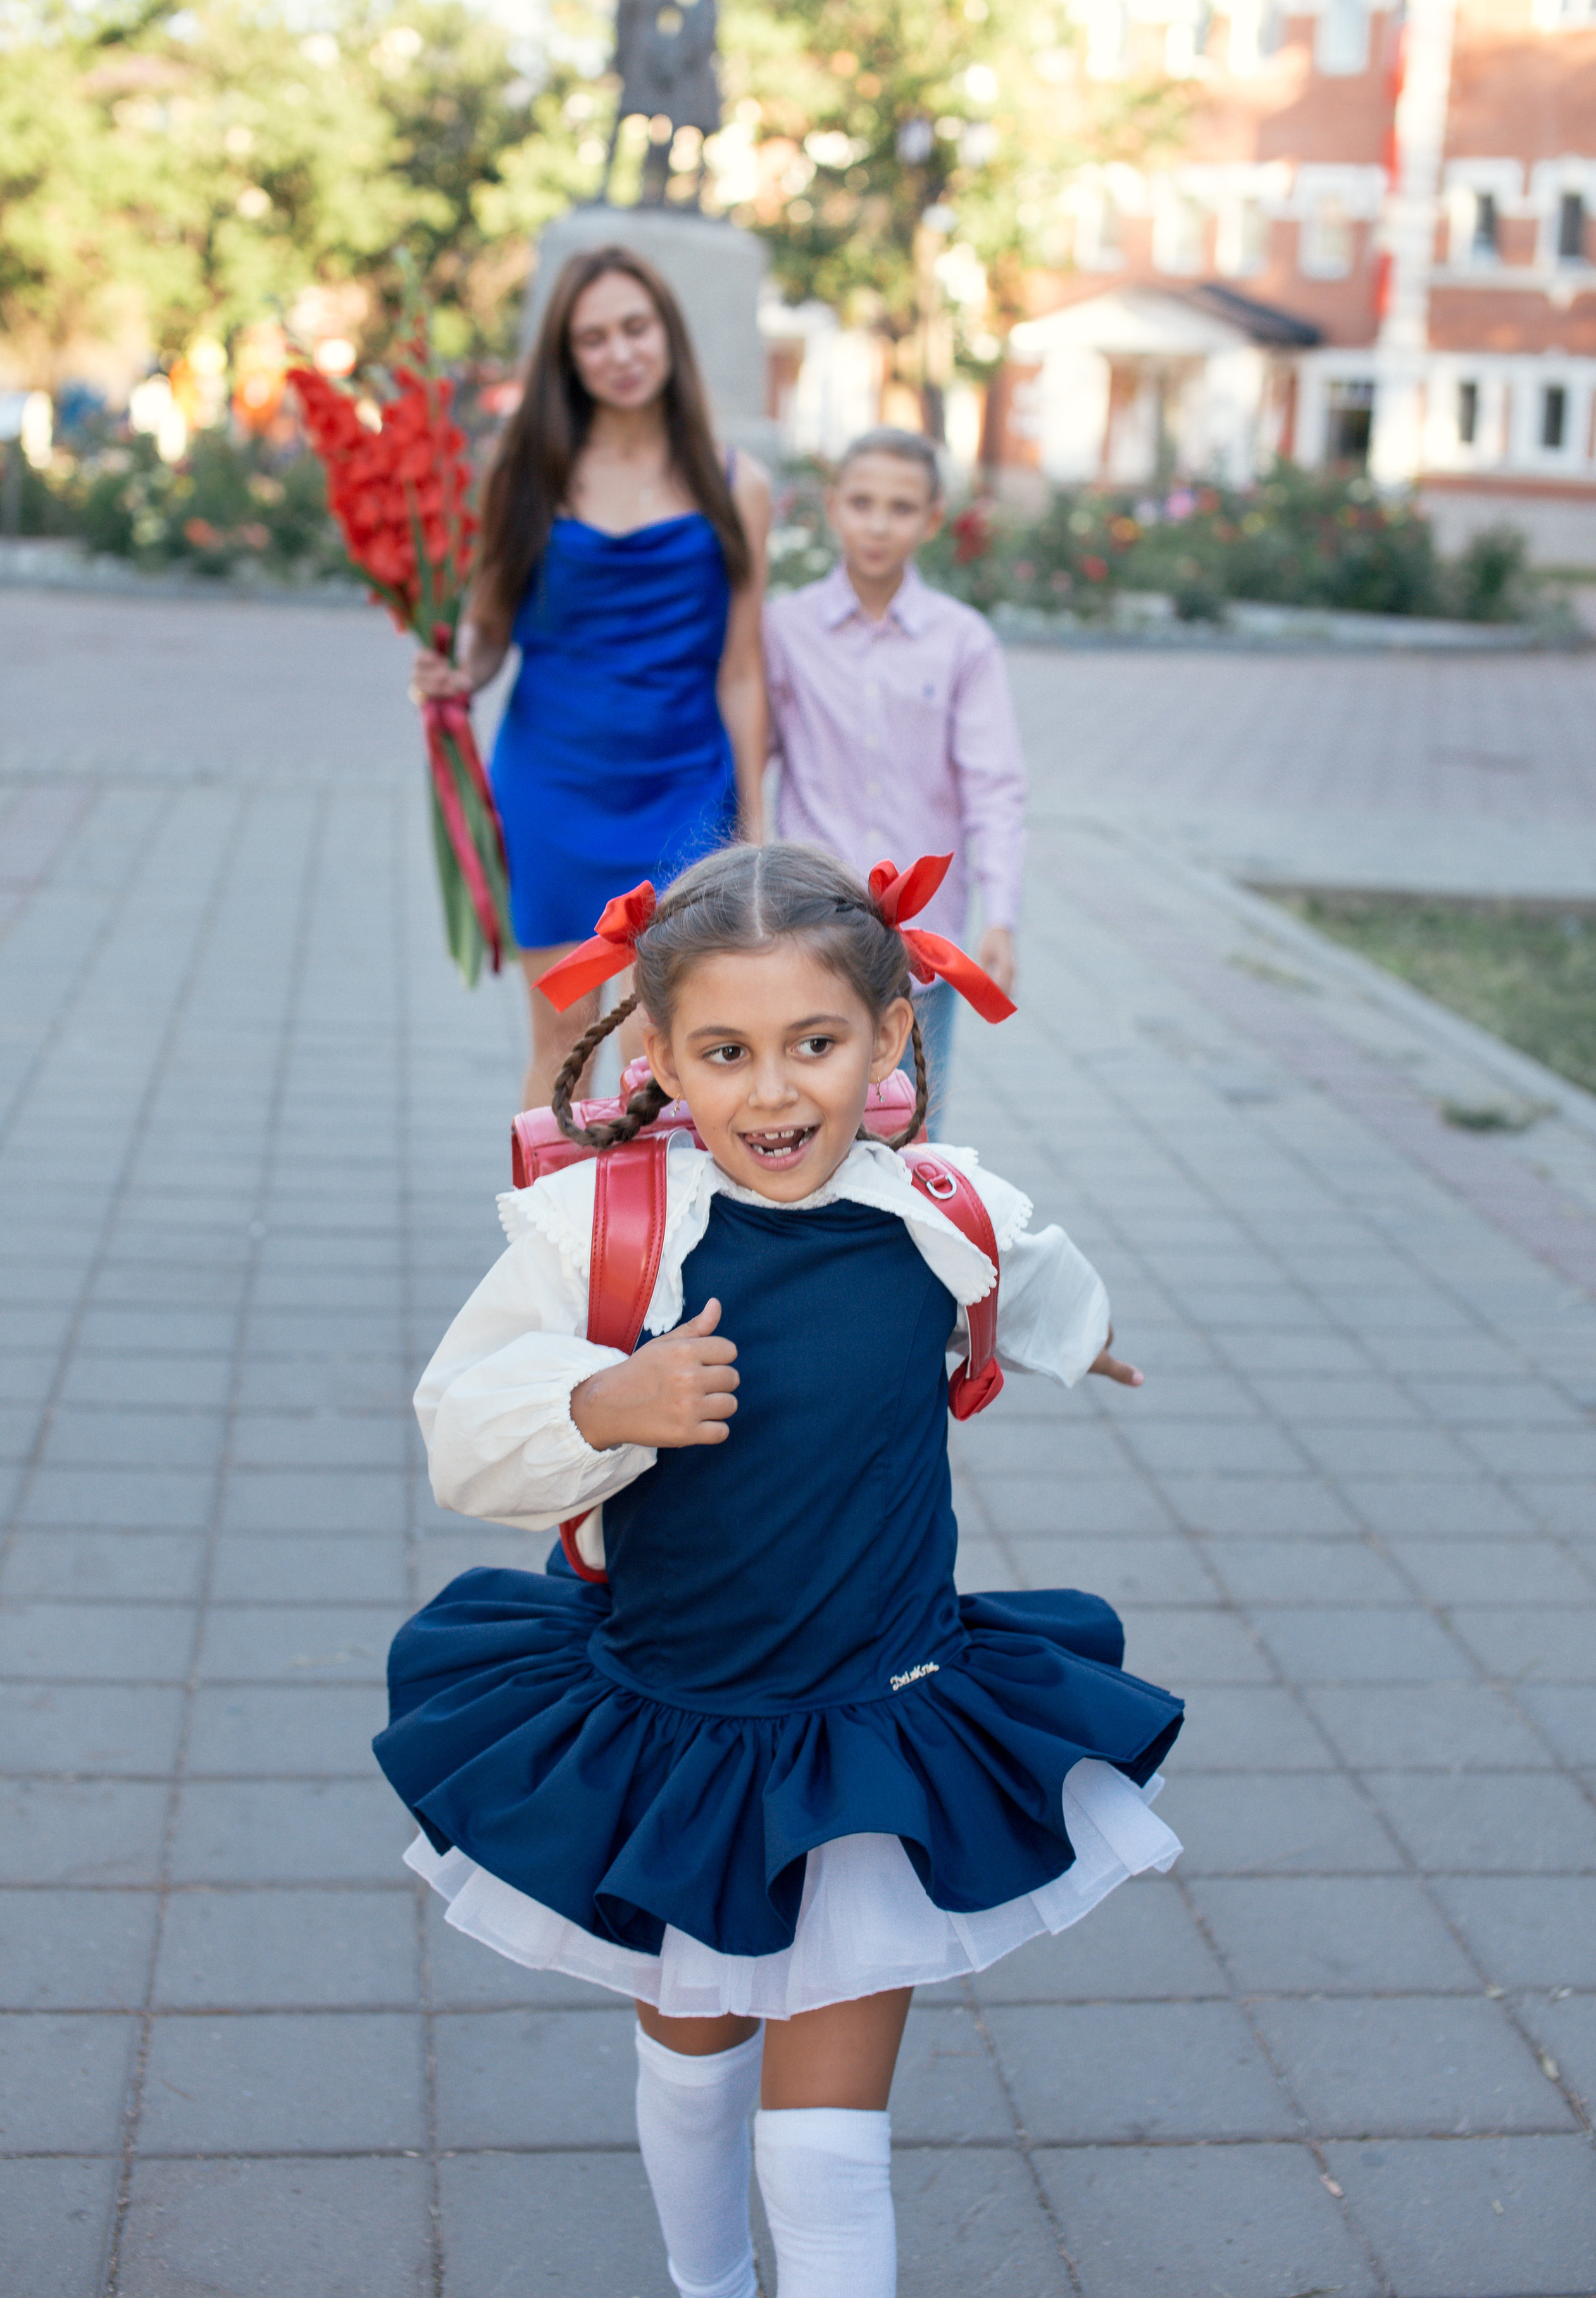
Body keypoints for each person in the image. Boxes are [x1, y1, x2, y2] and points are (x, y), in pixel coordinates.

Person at [373, 841, 1183, 2298]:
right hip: (673, 1732)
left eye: (813, 1043)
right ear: (660, 1050)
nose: (770, 1091)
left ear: (888, 1033)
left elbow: (1037, 1271)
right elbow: (461, 1425)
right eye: (723, 1051)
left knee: (828, 2147)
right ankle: (706, 2278)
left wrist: (1083, 1333)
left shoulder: (943, 1212)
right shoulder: (599, 1236)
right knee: (692, 2067)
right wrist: (601, 1405)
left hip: (877, 1732)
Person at [411, 244, 771, 1109]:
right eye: (594, 338)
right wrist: (457, 670)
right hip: (554, 790)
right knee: (565, 1043)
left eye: (635, 328)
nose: (620, 352)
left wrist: (755, 827)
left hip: (688, 795)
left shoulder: (737, 483)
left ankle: (660, 1244)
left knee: (673, 1051)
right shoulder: (524, 476)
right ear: (568, 359)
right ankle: (552, 1244)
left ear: (668, 336)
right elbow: (493, 629)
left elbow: (744, 669)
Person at [764, 428, 1025, 1129]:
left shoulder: (962, 640)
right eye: (861, 502)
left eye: (901, 508)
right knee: (805, 1122)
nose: (878, 524)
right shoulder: (782, 630)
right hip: (810, 926)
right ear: (832, 506)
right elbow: (741, 748)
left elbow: (992, 785)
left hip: (922, 935)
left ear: (933, 519)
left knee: (911, 1130)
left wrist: (1000, 911)